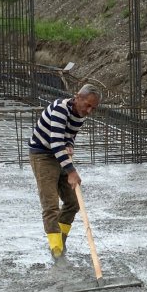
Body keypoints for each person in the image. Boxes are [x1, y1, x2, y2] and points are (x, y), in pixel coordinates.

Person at [28, 84, 101, 260]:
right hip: (42, 154)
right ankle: (56, 250)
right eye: (88, 105)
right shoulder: (60, 109)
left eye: (93, 107)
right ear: (77, 97)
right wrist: (71, 171)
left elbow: (69, 137)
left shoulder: (81, 114)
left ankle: (61, 239)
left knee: (73, 202)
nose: (89, 111)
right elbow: (55, 142)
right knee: (50, 204)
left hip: (60, 154)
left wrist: (70, 146)